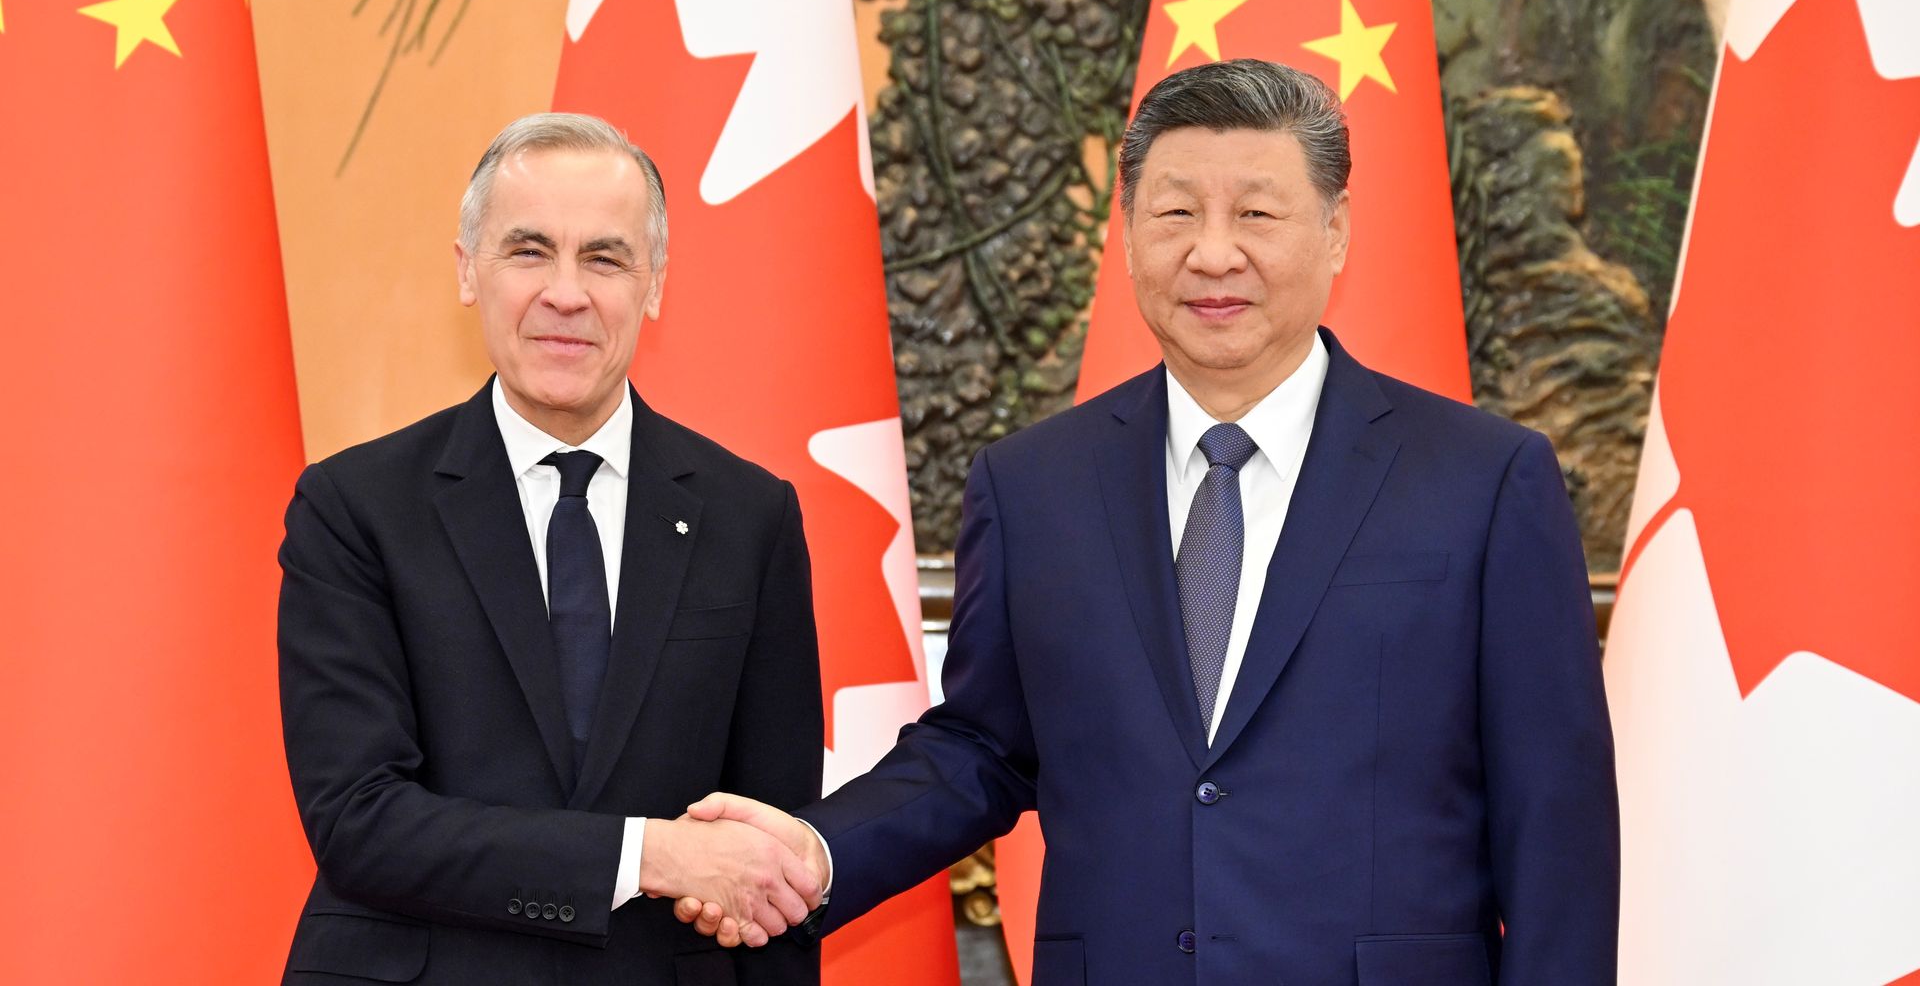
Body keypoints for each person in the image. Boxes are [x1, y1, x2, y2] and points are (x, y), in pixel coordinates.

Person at [677, 59, 1620, 983]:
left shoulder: (1484, 480)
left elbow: (1556, 821)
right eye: (1174, 214)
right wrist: (814, 850)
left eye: (1256, 212)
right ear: (1126, 235)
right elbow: (983, 749)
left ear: (1335, 232)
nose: (1213, 253)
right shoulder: (1034, 484)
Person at [276, 113, 824, 985]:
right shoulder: (356, 508)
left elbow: (774, 853)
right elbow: (359, 820)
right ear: (468, 271)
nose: (566, 293)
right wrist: (645, 854)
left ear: (653, 285)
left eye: (604, 259)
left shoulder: (750, 516)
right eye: (528, 252)